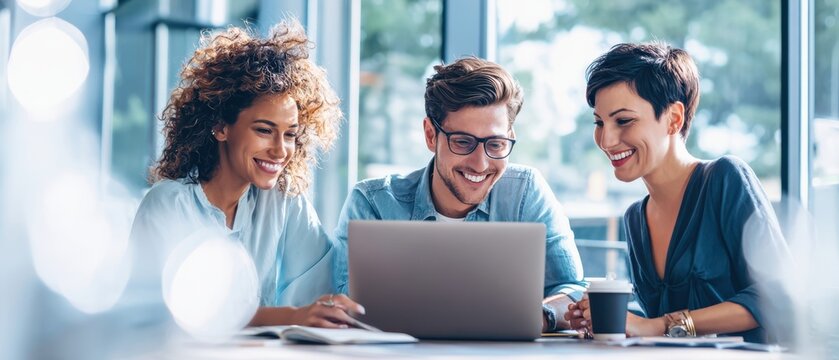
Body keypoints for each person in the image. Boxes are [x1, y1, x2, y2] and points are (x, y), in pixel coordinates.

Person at [128, 21, 363, 327]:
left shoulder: (284, 200)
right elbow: (170, 316)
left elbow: (317, 294)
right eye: (264, 130)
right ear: (220, 126)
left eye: (290, 134)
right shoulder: (167, 205)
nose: (280, 151)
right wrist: (291, 316)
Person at [333, 57, 586, 332]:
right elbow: (347, 306)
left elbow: (573, 288)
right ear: (431, 135)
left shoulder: (526, 191)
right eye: (463, 142)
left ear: (510, 135)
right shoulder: (373, 203)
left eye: (496, 144)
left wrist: (540, 316)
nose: (480, 164)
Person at [565, 42, 791, 342]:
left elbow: (778, 299)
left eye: (623, 120)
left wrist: (654, 326)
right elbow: (657, 324)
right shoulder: (636, 218)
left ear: (673, 118)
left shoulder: (725, 179)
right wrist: (607, 320)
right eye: (599, 122)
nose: (606, 140)